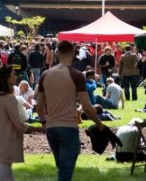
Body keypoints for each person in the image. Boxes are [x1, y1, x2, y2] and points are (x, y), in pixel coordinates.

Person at [36, 40, 105, 181]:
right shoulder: (77, 75)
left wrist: (44, 123)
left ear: (56, 54)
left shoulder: (45, 75)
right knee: (65, 173)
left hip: (51, 128)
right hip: (68, 128)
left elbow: (39, 106)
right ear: (73, 54)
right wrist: (99, 123)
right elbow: (86, 106)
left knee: (62, 169)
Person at [0, 65, 43, 181]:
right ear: (6, 78)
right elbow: (20, 125)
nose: (16, 77)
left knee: (8, 177)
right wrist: (42, 129)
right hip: (5, 145)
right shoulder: (8, 98)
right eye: (13, 75)